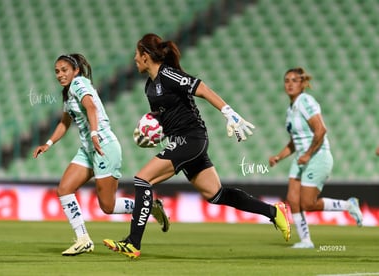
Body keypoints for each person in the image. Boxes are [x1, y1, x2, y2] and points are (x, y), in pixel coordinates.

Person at [103, 33, 291, 259]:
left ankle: (133, 243)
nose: (134, 58)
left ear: (146, 56)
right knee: (215, 194)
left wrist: (228, 113)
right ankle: (274, 211)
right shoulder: (150, 87)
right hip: (181, 141)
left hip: (191, 139)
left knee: (143, 179)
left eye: (137, 53)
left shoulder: (168, 74)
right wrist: (149, 128)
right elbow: (164, 115)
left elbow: (200, 88)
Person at [33, 53, 169, 256]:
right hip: (88, 149)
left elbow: (91, 106)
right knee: (64, 189)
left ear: (75, 70)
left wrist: (95, 133)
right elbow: (65, 122)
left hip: (103, 146)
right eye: (57, 71)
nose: (60, 74)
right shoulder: (68, 92)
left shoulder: (79, 83)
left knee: (108, 206)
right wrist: (48, 143)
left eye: (64, 70)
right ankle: (83, 239)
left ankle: (147, 206)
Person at [268, 67, 363, 249]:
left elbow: (321, 130)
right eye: (286, 80)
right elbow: (295, 141)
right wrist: (279, 157)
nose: (289, 84)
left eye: (294, 80)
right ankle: (306, 241)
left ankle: (349, 205)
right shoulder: (291, 109)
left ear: (303, 84)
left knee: (307, 204)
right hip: (301, 158)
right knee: (293, 199)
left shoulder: (305, 101)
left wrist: (308, 154)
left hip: (317, 156)